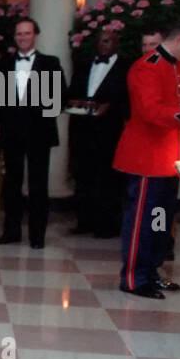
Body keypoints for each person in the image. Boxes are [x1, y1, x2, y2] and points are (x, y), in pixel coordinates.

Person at [112, 15, 180, 298]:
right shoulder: (146, 67)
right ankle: (133, 278)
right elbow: (151, 113)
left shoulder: (177, 66)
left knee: (161, 220)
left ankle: (151, 271)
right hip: (146, 159)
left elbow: (172, 106)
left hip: (168, 158)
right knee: (141, 220)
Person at [0, 18, 63, 250]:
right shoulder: (4, 63)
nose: (22, 37)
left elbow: (60, 99)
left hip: (39, 133)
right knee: (11, 184)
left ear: (35, 35)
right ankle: (11, 232)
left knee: (38, 185)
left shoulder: (50, 63)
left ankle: (37, 236)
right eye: (19, 34)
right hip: (12, 133)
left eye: (27, 33)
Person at [64, 28, 130, 238]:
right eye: (101, 41)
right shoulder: (84, 64)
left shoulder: (126, 68)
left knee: (108, 178)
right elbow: (72, 92)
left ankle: (108, 225)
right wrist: (75, 101)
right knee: (83, 175)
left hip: (109, 131)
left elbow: (128, 101)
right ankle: (84, 221)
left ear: (116, 44)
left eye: (108, 41)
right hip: (82, 129)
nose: (104, 45)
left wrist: (109, 106)